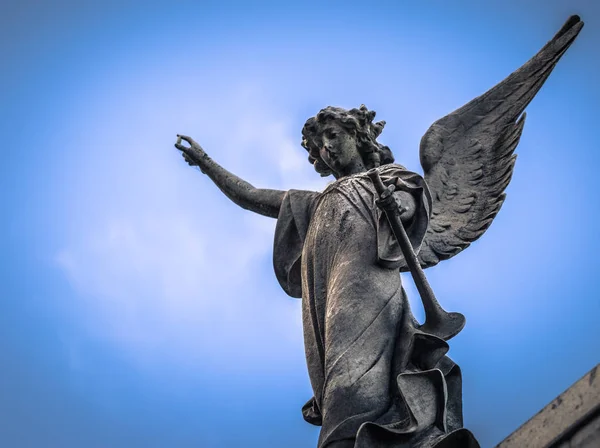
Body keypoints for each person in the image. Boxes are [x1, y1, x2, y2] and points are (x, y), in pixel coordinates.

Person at [175, 105, 478, 448]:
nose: (326, 148)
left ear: (358, 136)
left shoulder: (387, 178)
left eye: (334, 136)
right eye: (319, 145)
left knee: (354, 388)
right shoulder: (312, 204)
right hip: (328, 305)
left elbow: (409, 202)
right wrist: (207, 164)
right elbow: (251, 196)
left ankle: (375, 437)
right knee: (338, 386)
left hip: (371, 293)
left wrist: (399, 204)